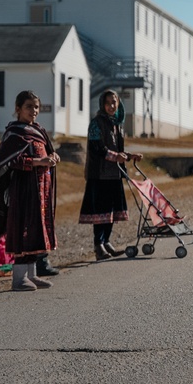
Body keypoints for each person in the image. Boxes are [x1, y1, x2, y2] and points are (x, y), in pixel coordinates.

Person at [0, 90, 60, 291]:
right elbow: (11, 161)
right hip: (23, 190)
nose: (34, 111)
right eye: (29, 107)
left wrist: (53, 157)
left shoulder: (38, 130)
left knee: (36, 228)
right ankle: (19, 278)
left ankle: (32, 274)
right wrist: (39, 161)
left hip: (41, 190)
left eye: (36, 107)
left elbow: (46, 152)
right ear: (18, 109)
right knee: (23, 228)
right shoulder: (14, 133)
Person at [79, 90, 142, 260]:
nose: (111, 106)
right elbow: (97, 148)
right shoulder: (96, 123)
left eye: (114, 102)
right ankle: (98, 245)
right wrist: (116, 157)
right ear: (102, 105)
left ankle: (106, 241)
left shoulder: (116, 124)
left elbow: (117, 150)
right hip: (99, 175)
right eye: (108, 103)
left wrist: (129, 156)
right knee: (100, 212)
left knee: (111, 211)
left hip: (114, 173)